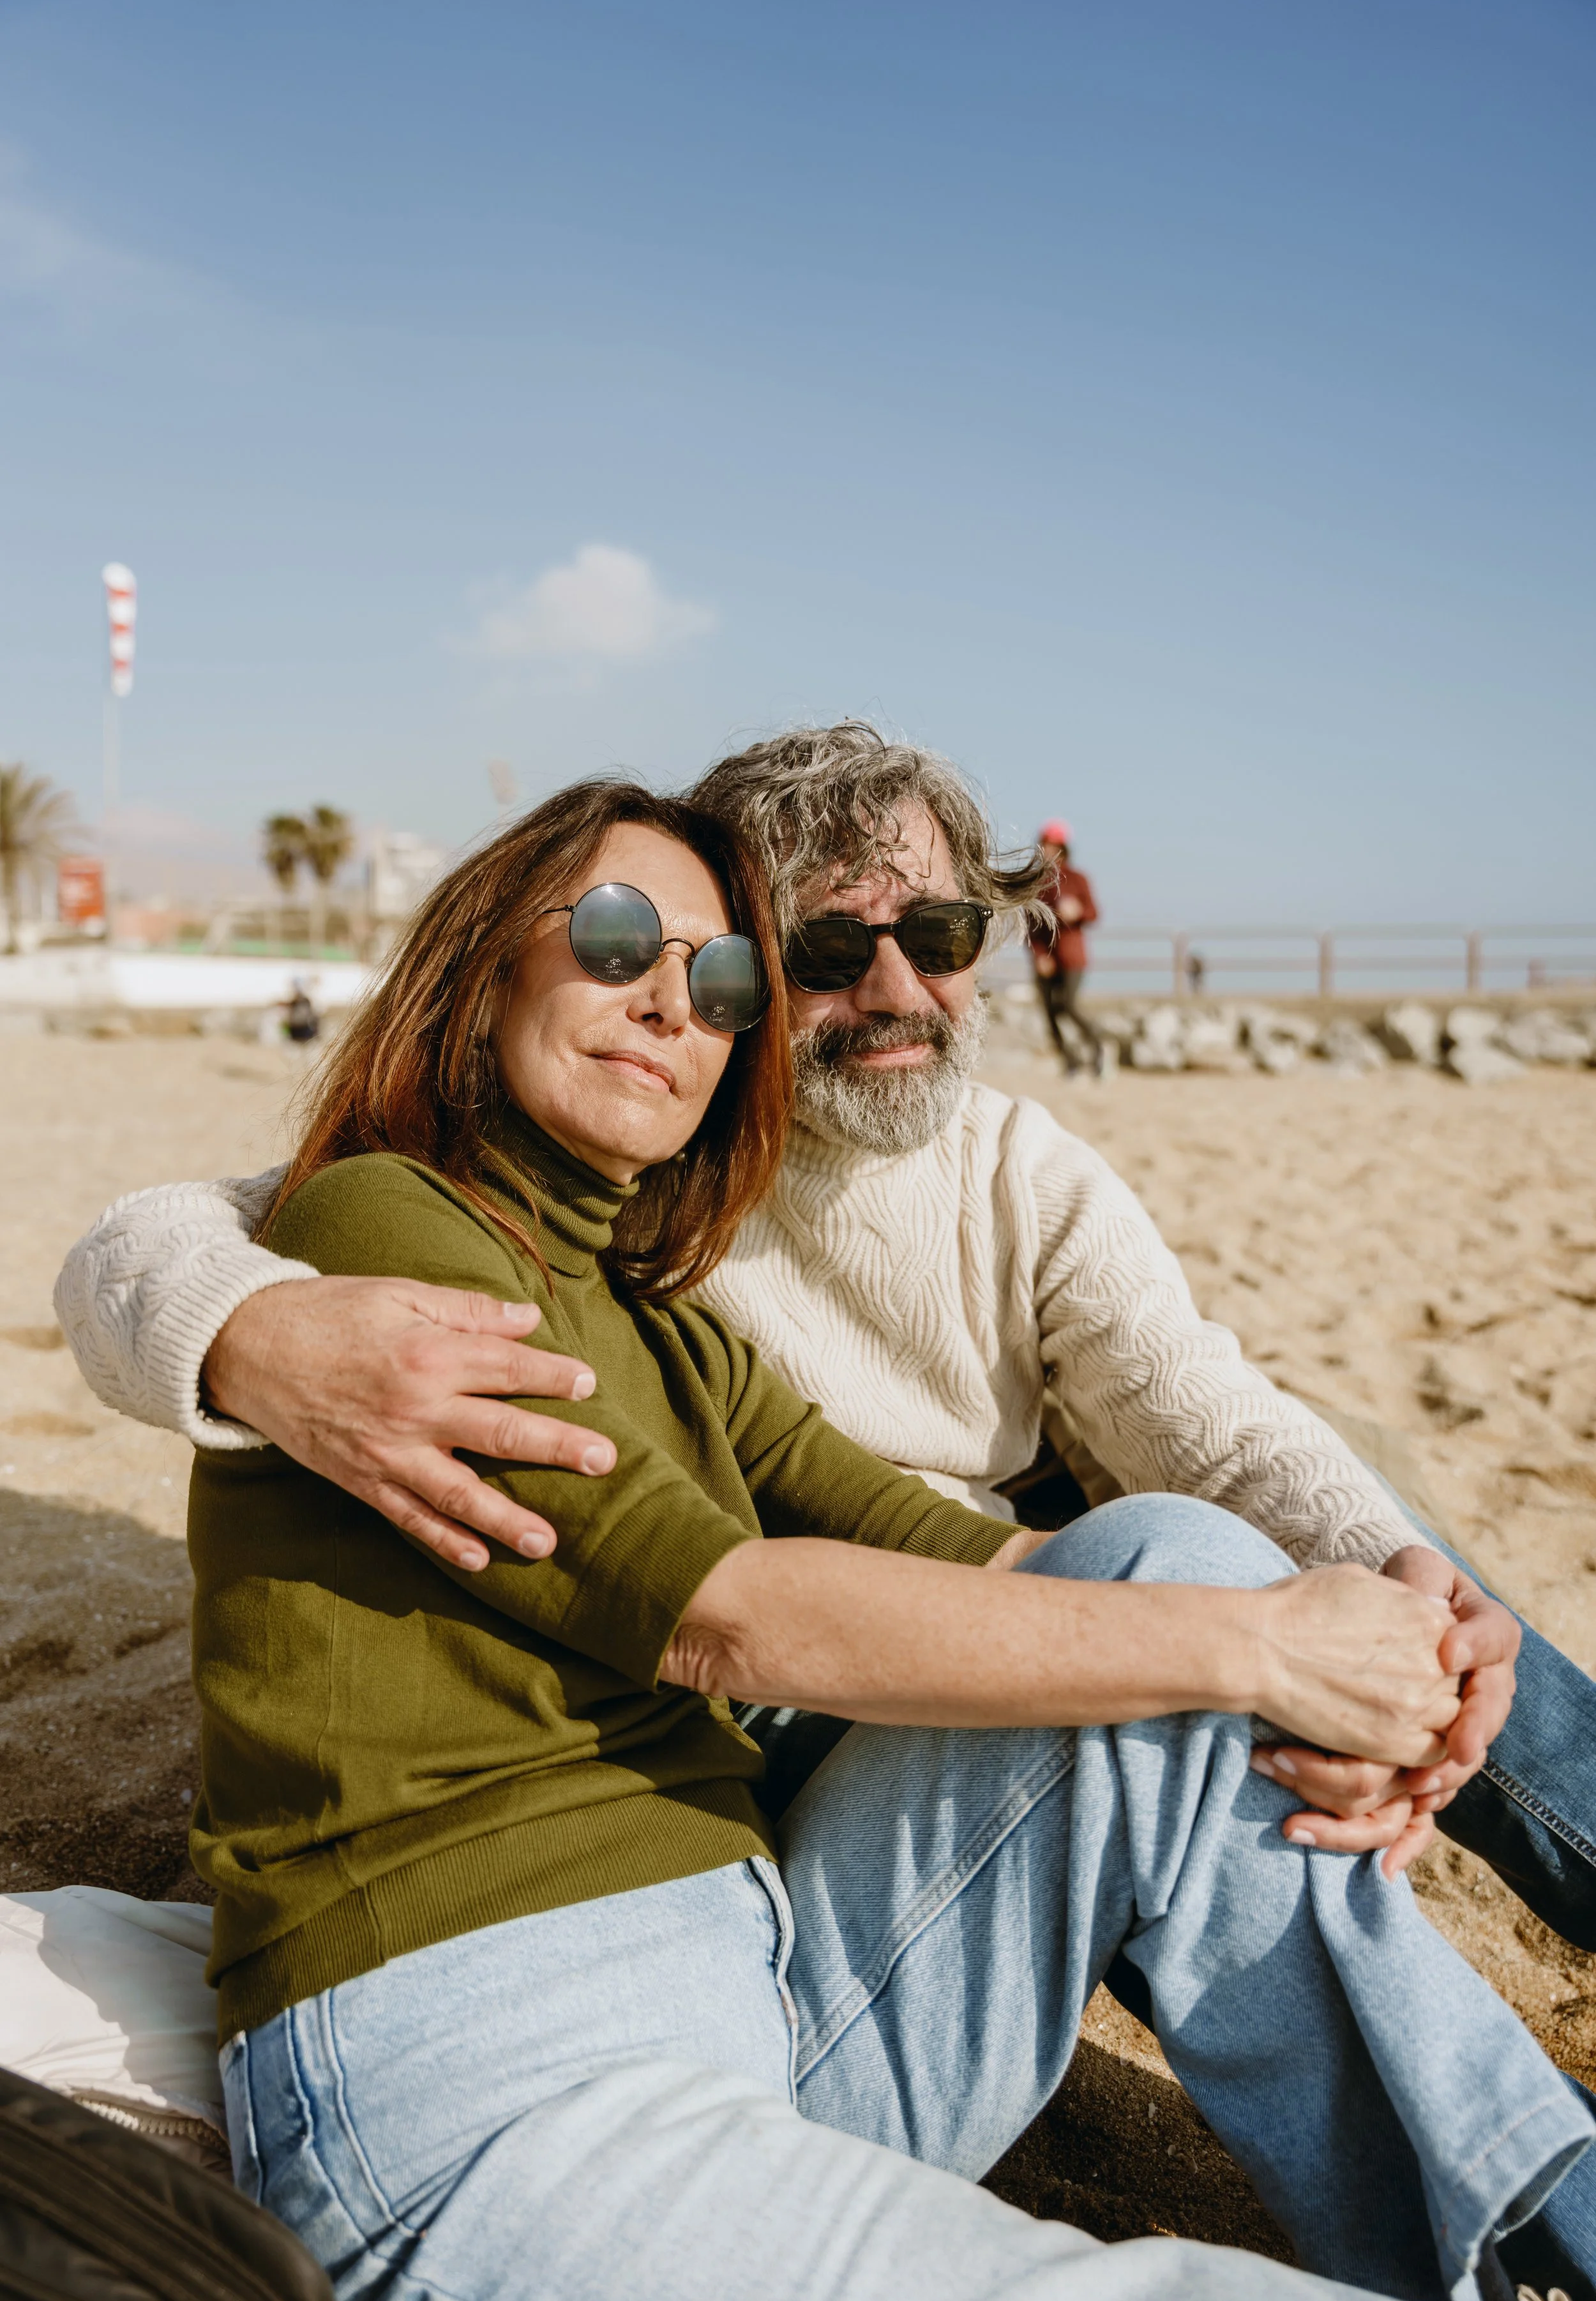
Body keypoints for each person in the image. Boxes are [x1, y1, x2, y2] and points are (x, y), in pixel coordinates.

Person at [172, 774, 1590, 2301]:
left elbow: (1048, 1530)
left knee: (1167, 1551)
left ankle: (1544, 2217)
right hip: (495, 2077)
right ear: (485, 961)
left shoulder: (674, 1319)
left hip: (767, 1999)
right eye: (620, 937)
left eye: (717, 980)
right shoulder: (383, 1231)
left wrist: (1359, 1616)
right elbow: (722, 1615)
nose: (669, 998)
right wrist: (1263, 1650)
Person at [55, 725, 1596, 1961]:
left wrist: (1414, 1605)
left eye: (939, 931)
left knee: (1403, 1560)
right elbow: (152, 1238)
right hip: (818, 1635)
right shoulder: (635, 1143)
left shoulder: (1022, 1163)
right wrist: (249, 1326)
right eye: (822, 952)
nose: (898, 989)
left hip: (1026, 1539)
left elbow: (1206, 1414)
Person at [1029, 819, 1108, 1076]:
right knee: (1050, 1012)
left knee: (1069, 1005)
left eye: (1054, 845)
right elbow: (1030, 926)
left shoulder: (1077, 879)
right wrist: (1039, 956)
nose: (1049, 850)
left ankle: (1098, 1048)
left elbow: (1094, 913)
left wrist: (1077, 912)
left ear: (1063, 848)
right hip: (1047, 959)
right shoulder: (1035, 883)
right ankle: (1071, 1062)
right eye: (1046, 844)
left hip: (1073, 958)